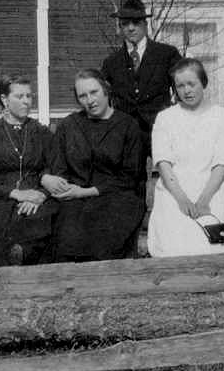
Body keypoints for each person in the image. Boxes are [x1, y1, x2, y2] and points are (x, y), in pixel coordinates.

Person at [41, 69, 147, 262]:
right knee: (63, 229)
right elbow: (59, 167)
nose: (90, 100)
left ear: (106, 90)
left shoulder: (127, 125)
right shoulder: (69, 125)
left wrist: (85, 192)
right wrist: (59, 184)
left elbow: (130, 177)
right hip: (74, 198)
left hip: (117, 196)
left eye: (94, 92)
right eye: (83, 96)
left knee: (102, 232)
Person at [0, 76, 58, 265]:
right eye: (19, 96)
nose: (26, 101)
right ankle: (9, 264)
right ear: (4, 100)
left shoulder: (41, 132)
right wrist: (17, 194)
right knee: (2, 222)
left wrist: (41, 194)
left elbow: (55, 168)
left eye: (29, 96)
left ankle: (27, 260)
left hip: (36, 194)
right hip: (0, 196)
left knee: (51, 216)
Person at [147, 58, 224, 257]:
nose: (187, 91)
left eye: (191, 84)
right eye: (180, 86)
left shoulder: (222, 117)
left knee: (210, 245)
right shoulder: (166, 118)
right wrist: (182, 200)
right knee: (172, 245)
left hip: (211, 187)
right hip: (174, 188)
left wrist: (204, 200)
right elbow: (163, 163)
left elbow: (221, 163)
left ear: (203, 83)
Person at [99, 0, 182, 141]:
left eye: (136, 22)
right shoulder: (111, 62)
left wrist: (176, 117)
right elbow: (102, 96)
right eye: (125, 24)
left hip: (161, 130)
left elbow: (182, 86)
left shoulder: (167, 54)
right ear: (120, 27)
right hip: (125, 133)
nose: (131, 28)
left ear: (145, 24)